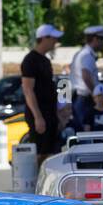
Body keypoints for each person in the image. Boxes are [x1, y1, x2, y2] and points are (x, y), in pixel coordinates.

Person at [21, 24, 64, 164]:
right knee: (40, 152)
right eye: (53, 38)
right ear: (44, 38)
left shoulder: (45, 60)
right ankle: (35, 182)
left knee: (50, 151)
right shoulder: (30, 60)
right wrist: (38, 117)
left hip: (49, 112)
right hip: (39, 113)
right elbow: (28, 90)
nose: (55, 42)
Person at [69, 25, 103, 131]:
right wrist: (95, 94)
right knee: (86, 131)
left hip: (80, 98)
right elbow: (86, 75)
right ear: (95, 39)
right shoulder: (87, 55)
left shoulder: (81, 53)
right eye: (102, 39)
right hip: (84, 99)